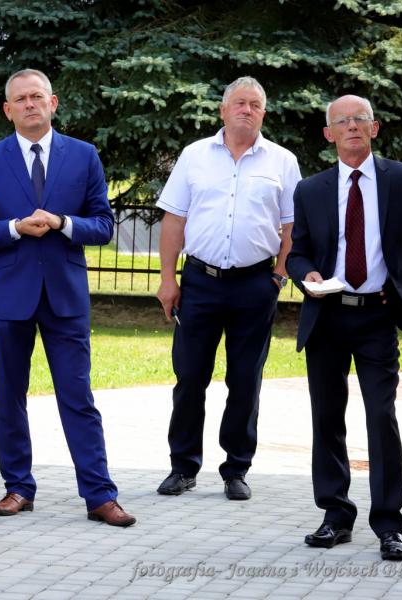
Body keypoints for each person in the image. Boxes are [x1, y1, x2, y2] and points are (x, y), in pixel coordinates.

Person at [0, 68, 135, 527]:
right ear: (8, 110)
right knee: (10, 397)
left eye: (37, 96)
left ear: (53, 103)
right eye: (20, 99)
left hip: (65, 296)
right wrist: (15, 228)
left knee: (78, 396)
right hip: (9, 296)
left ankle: (99, 495)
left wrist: (62, 223)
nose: (30, 104)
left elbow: (103, 224)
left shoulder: (83, 156)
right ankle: (18, 488)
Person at [286, 95, 402, 561]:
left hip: (378, 315)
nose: (352, 126)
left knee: (381, 416)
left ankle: (389, 525)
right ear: (329, 134)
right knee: (327, 416)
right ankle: (335, 515)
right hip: (328, 315)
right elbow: (298, 252)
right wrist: (306, 274)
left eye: (361, 119)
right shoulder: (311, 189)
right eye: (343, 121)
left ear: (374, 129)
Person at [155, 76, 301, 500]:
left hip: (255, 285)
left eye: (255, 104)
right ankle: (183, 467)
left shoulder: (282, 162)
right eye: (239, 103)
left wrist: (279, 276)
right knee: (189, 377)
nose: (246, 110)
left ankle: (236, 469)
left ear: (263, 114)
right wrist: (168, 279)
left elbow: (293, 226)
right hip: (200, 283)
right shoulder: (194, 156)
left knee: (245, 381)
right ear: (223, 110)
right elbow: (174, 220)